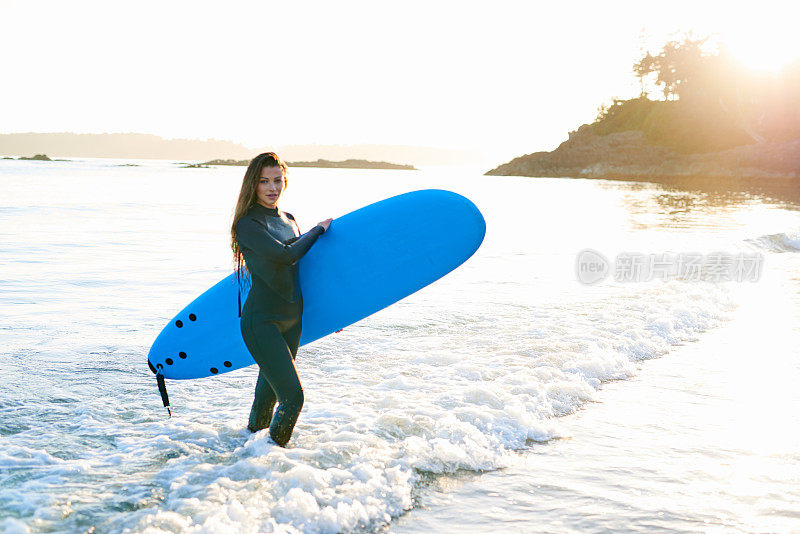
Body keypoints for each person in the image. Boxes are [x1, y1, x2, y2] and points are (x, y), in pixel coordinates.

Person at [230, 152, 332, 446]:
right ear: (253, 184)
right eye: (264, 181)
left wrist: (334, 313)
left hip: (292, 321)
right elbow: (286, 257)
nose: (272, 187)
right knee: (293, 398)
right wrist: (318, 229)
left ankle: (244, 460)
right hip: (261, 322)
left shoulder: (289, 220)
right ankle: (274, 460)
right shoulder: (248, 225)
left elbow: (306, 273)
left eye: (277, 180)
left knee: (267, 399)